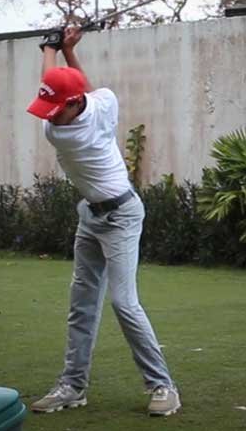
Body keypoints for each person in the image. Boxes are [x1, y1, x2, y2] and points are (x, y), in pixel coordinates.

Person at [27, 26, 179, 416]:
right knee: (81, 303)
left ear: (74, 103)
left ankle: (163, 386)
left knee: (123, 302)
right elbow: (70, 88)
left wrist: (51, 47)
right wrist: (65, 51)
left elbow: (65, 86)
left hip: (122, 216)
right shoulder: (99, 104)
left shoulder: (64, 135)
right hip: (90, 216)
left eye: (55, 107)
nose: (49, 116)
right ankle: (72, 386)